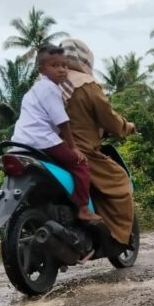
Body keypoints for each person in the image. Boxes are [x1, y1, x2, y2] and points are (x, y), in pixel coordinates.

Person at [11, 45, 101, 224]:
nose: (61, 70)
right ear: (42, 69)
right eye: (55, 66)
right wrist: (74, 147)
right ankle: (83, 208)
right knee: (80, 164)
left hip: (20, 142)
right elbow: (62, 121)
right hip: (42, 140)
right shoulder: (51, 88)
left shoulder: (33, 91)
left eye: (64, 65)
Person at [59, 38, 137, 246]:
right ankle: (118, 238)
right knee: (119, 180)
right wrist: (126, 127)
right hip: (81, 151)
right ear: (84, 58)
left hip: (45, 149)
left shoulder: (46, 83)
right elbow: (108, 118)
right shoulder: (86, 84)